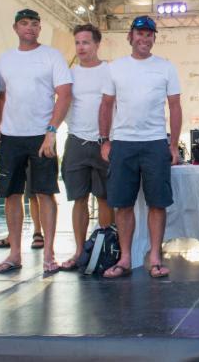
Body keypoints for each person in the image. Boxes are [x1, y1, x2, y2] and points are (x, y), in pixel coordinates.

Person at [0, 8, 72, 275]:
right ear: (15, 28)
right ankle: (15, 254)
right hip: (11, 136)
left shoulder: (52, 56)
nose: (30, 28)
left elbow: (65, 95)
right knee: (11, 194)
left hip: (41, 135)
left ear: (40, 28)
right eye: (25, 23)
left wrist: (51, 130)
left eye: (35, 24)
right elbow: (0, 97)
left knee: (45, 192)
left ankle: (49, 254)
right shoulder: (5, 59)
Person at [99, 15, 182, 278]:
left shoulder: (166, 67)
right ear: (130, 37)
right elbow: (106, 105)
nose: (144, 38)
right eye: (140, 33)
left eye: (149, 34)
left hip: (155, 143)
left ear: (154, 38)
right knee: (123, 204)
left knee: (158, 204)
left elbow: (175, 106)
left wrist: (173, 145)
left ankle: (155, 258)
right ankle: (124, 259)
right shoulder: (115, 67)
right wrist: (104, 140)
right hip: (123, 144)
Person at [60, 24, 114, 271]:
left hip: (105, 143)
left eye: (86, 42)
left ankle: (104, 250)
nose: (81, 47)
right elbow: (61, 106)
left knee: (105, 198)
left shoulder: (110, 71)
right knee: (78, 199)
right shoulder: (68, 74)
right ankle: (80, 252)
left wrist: (112, 139)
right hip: (76, 141)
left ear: (97, 45)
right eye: (78, 43)